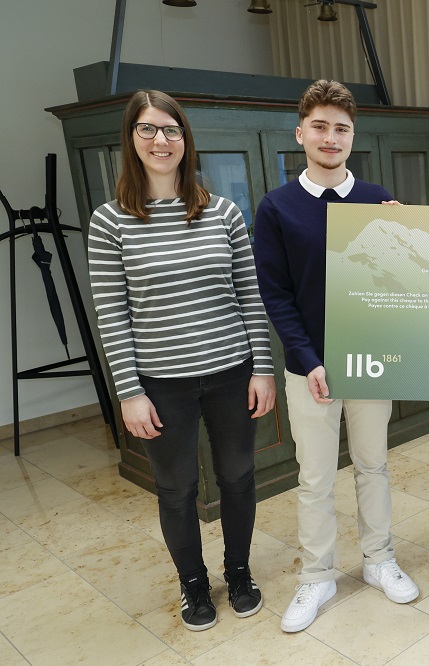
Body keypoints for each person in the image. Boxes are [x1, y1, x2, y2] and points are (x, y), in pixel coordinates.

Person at [87, 90, 276, 631]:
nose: (160, 140)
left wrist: (263, 368)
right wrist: (129, 392)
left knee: (237, 477)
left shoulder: (223, 212)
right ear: (131, 139)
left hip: (231, 371)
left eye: (171, 129)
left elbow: (250, 296)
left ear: (185, 139)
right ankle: (193, 584)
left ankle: (238, 573)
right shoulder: (110, 222)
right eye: (147, 129)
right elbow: (112, 315)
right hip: (160, 383)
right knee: (176, 489)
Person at [253, 80, 419, 634]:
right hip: (309, 369)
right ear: (301, 132)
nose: (331, 137)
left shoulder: (377, 199)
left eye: (341, 128)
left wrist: (407, 236)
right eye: (320, 126)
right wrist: (307, 358)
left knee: (374, 466)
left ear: (353, 136)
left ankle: (379, 560)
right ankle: (317, 575)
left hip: (371, 361)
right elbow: (276, 294)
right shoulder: (277, 208)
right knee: (315, 478)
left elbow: (401, 282)